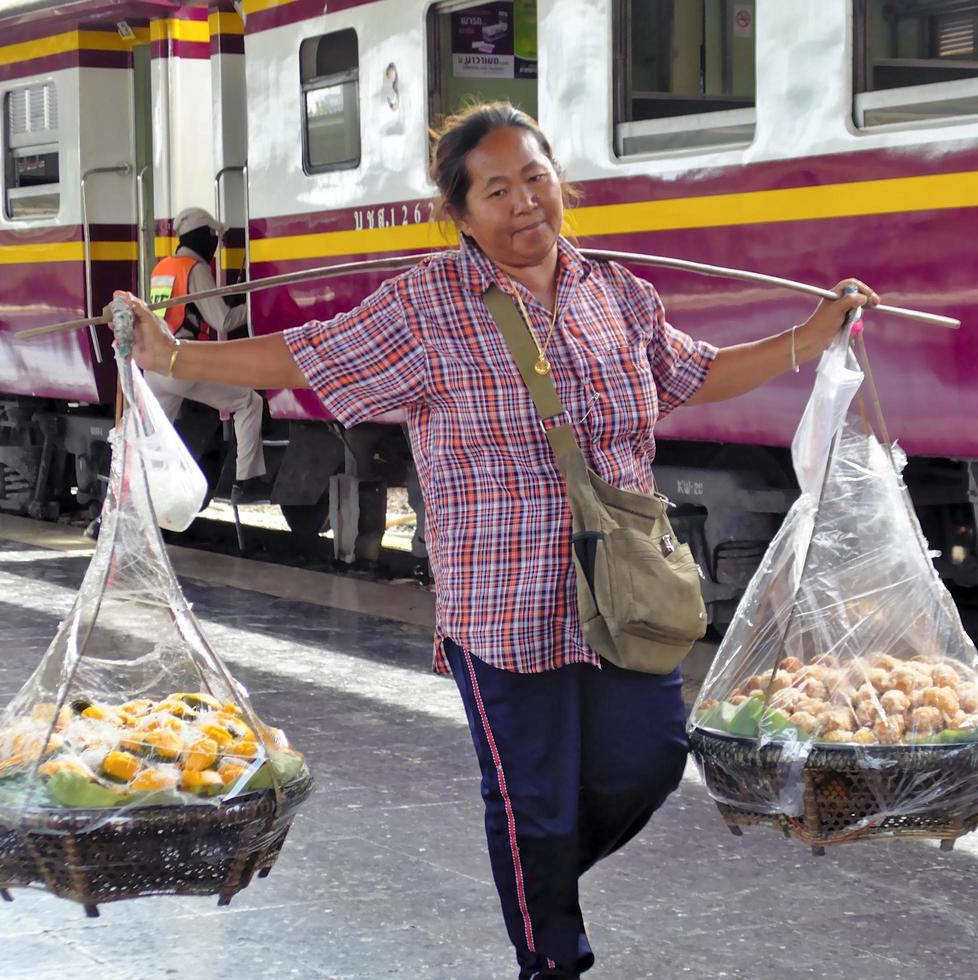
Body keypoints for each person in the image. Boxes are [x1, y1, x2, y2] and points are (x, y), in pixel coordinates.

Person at [120, 102, 877, 979]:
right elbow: (306, 356)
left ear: (561, 181)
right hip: (502, 600)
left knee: (651, 760)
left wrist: (810, 336)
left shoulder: (617, 292)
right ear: (462, 211)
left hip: (622, 589)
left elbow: (693, 372)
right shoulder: (427, 304)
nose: (525, 204)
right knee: (534, 800)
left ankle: (534, 871)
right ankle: (551, 953)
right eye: (497, 190)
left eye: (536, 179)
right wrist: (174, 356)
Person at [146, 206, 270, 501]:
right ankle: (248, 481)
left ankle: (132, 501)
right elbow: (223, 321)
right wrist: (259, 304)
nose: (216, 243)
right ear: (202, 236)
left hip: (155, 366)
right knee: (248, 401)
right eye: (214, 235)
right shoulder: (195, 268)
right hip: (181, 363)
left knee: (152, 439)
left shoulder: (163, 267)